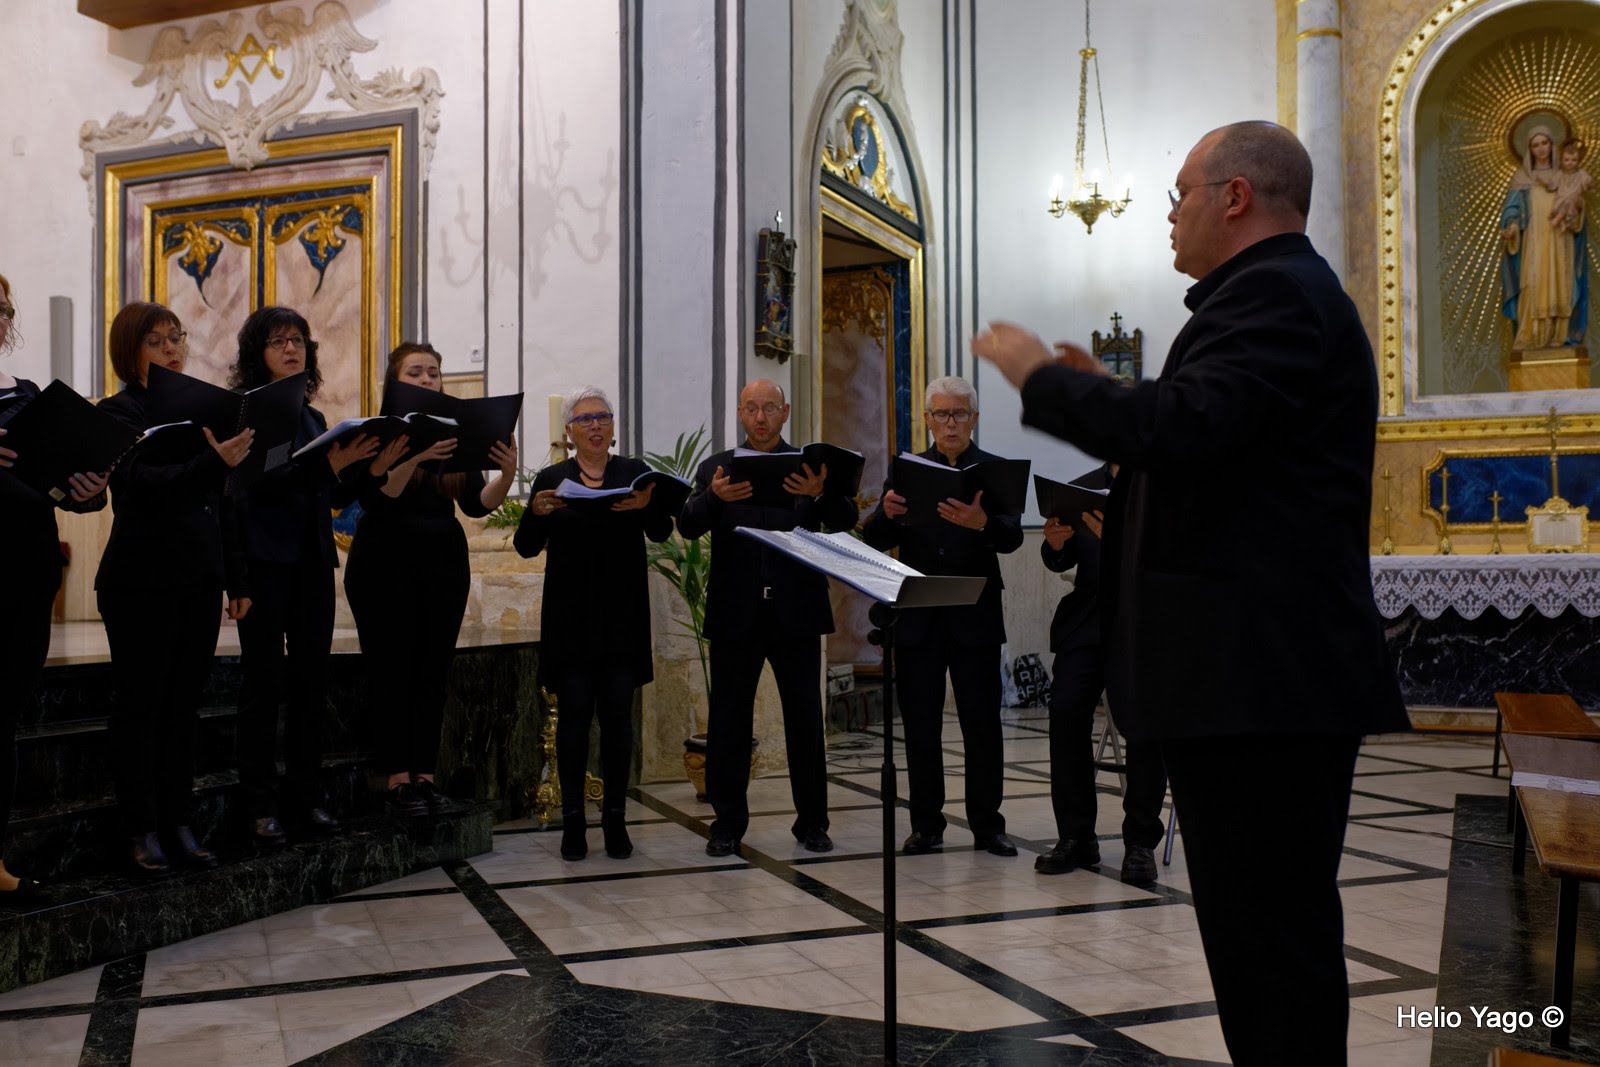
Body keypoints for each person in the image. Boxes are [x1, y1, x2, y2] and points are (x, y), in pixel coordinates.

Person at [971, 121, 1408, 1065]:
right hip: (1253, 681)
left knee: (1271, 950)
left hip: (1260, 685)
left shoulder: (1279, 297)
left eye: (1179, 193)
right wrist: (1119, 410)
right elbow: (1209, 452)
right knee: (1262, 950)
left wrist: (1044, 383)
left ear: (1236, 196)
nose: (1169, 214)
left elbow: (1188, 424)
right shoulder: (1268, 296)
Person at [96, 301, 256, 875]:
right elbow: (141, 485)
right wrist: (213, 464)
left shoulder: (197, 413)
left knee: (183, 708)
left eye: (175, 338)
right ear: (129, 352)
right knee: (141, 707)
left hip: (196, 579)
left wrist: (235, 577)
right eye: (155, 341)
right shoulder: (118, 413)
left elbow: (224, 501)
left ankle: (178, 822)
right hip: (139, 580)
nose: (171, 349)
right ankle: (140, 828)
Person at [677, 379, 857, 857]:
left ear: (786, 412)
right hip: (737, 611)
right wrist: (714, 497)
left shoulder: (809, 467)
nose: (760, 417)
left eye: (770, 408)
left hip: (796, 610)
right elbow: (688, 523)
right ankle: (727, 824)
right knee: (730, 720)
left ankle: (813, 823)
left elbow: (843, 518)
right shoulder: (717, 468)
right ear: (740, 412)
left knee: (804, 720)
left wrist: (819, 495)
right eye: (752, 409)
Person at [228, 306, 382, 845]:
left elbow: (330, 493)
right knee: (264, 685)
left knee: (313, 684)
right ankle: (259, 806)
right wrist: (329, 468)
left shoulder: (314, 418)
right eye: (278, 342)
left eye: (299, 340)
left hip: (314, 562)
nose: (291, 349)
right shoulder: (249, 411)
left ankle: (304, 799)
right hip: (266, 562)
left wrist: (367, 469)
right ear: (257, 354)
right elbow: (256, 485)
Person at [344, 342, 518, 815]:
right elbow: (380, 500)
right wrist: (413, 458)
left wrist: (506, 474)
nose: (427, 381)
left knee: (431, 673)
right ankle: (396, 779)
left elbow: (476, 504)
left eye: (434, 374)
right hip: (384, 561)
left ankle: (424, 776)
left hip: (442, 560)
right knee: (391, 671)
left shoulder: (457, 435)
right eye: (416, 373)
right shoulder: (377, 434)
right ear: (395, 382)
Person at [861, 376, 1023, 857]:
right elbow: (875, 538)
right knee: (921, 724)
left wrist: (983, 524)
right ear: (927, 419)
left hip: (974, 612)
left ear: (975, 419)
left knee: (981, 724)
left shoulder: (995, 470)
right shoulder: (907, 469)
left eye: (960, 414)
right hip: (919, 616)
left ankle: (987, 824)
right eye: (941, 415)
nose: (950, 424)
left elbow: (1012, 538)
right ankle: (927, 824)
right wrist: (885, 514)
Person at [513, 386, 672, 861]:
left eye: (602, 417)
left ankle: (617, 821)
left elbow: (663, 530)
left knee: (619, 720)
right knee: (575, 719)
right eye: (585, 420)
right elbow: (525, 546)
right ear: (570, 432)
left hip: (622, 617)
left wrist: (648, 506)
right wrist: (537, 513)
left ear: (613, 426)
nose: (596, 426)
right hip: (571, 618)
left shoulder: (634, 473)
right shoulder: (552, 478)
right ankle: (574, 825)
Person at [0, 272, 108, 900]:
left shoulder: (30, 395)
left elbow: (65, 488)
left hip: (24, 569)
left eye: (3, 306)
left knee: (4, 723)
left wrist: (89, 493)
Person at [1034, 463, 1167, 885]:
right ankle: (1076, 837)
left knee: (1145, 723)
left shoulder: (1168, 487)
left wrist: (1126, 540)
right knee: (1065, 709)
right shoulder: (1081, 491)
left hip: (1144, 622)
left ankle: (1140, 842)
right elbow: (1062, 559)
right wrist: (1054, 545)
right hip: (1088, 620)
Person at [1501, 124, 1589, 349]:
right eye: (1535, 145)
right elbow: (1512, 210)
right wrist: (1511, 228)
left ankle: (1559, 337)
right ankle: (1531, 337)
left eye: (1545, 143)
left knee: (1561, 283)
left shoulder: (1565, 175)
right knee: (1533, 282)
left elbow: (1579, 206)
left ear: (1552, 145)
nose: (1541, 149)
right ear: (1529, 149)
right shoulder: (1522, 177)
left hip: (1561, 240)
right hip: (1533, 241)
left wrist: (1577, 209)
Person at [1550, 138, 1591, 234]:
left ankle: (1558, 219)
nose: (1570, 162)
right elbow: (1552, 184)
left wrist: (1589, 183)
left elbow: (1587, 181)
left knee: (1570, 198)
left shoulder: (1581, 173)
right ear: (1561, 160)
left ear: (1578, 160)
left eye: (1574, 160)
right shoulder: (1560, 173)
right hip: (1561, 197)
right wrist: (1546, 183)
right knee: (1565, 199)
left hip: (1573, 199)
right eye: (1566, 160)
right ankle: (1562, 222)